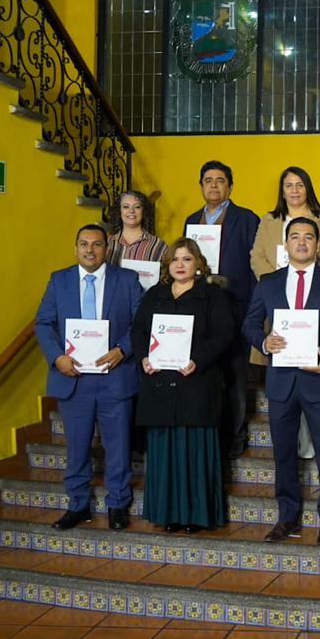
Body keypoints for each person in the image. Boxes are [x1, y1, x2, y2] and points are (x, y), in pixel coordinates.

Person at [243, 217, 320, 544]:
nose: (302, 242)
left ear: (317, 245)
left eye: (308, 237)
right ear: (286, 244)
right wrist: (263, 342)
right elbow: (250, 323)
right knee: (283, 453)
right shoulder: (268, 282)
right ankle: (288, 517)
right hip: (281, 380)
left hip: (319, 381)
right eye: (295, 236)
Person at [33, 224, 144, 530]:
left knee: (118, 446)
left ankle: (118, 504)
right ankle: (78, 505)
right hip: (74, 378)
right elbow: (43, 323)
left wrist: (123, 350)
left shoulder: (127, 279)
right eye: (84, 244)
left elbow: (141, 322)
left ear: (106, 248)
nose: (90, 250)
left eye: (96, 244)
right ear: (76, 248)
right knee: (77, 448)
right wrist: (57, 357)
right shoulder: (59, 281)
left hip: (114, 377)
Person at [130, 238, 234, 533]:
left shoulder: (213, 296)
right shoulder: (155, 294)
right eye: (175, 259)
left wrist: (197, 360)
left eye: (187, 259)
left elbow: (224, 334)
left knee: (194, 453)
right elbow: (139, 331)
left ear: (198, 264)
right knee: (164, 453)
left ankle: (196, 516)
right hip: (160, 386)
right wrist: (144, 357)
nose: (180, 264)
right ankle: (167, 515)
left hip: (196, 385)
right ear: (167, 265)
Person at [251, 166, 320, 459]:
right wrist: (278, 283)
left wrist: (304, 275)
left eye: (299, 184)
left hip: (314, 306)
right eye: (288, 185)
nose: (294, 190)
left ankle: (309, 444)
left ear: (308, 188)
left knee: (312, 389)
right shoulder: (268, 221)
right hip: (279, 305)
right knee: (285, 387)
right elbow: (256, 258)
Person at [184, 160, 260, 459]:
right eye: (208, 180)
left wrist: (254, 310)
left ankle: (235, 437)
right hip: (199, 307)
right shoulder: (192, 220)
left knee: (235, 374)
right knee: (204, 372)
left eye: (220, 180)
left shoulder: (247, 219)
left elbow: (254, 268)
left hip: (235, 304)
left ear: (230, 186)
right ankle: (208, 435)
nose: (213, 185)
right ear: (201, 186)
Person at [105, 190, 168, 265]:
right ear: (119, 211)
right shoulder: (108, 243)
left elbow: (166, 271)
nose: (131, 211)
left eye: (137, 207)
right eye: (126, 207)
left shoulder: (158, 245)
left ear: (143, 211)